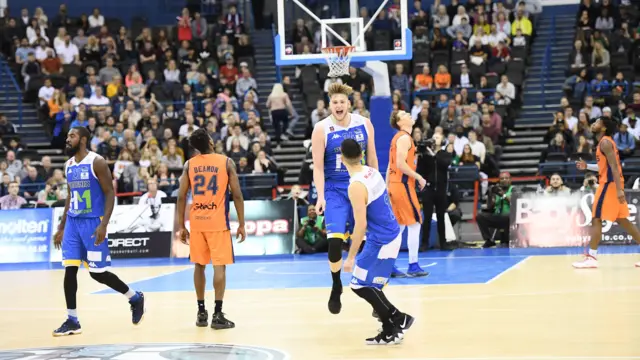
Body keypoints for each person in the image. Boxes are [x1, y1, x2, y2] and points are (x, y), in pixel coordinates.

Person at [52, 127, 145, 336]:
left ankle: (135, 298)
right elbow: (70, 196)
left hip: (93, 223)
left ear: (83, 140)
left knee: (98, 273)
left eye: (72, 136)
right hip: (73, 225)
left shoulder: (97, 162)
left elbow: (110, 193)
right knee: (70, 270)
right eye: (67, 136)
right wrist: (62, 226)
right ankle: (72, 319)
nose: (68, 139)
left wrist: (103, 224)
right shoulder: (68, 165)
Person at [311, 83, 378, 314]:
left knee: (368, 241)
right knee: (334, 242)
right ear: (330, 105)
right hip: (334, 190)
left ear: (349, 103)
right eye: (334, 102)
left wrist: (377, 188)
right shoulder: (321, 128)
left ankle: (373, 290)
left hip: (359, 185)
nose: (338, 105)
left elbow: (373, 159)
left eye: (342, 101)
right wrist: (320, 196)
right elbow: (317, 168)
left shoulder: (364, 124)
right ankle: (336, 284)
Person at [340, 139, 415, 345]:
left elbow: (361, 224)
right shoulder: (372, 171)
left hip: (382, 240)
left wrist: (351, 256)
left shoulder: (356, 185)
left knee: (358, 284)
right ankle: (390, 329)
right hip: (387, 234)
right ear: (361, 154)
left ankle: (399, 317)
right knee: (372, 286)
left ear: (341, 158)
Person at [176, 128, 247, 328]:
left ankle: (200, 312)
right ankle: (217, 314)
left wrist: (182, 226)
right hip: (217, 222)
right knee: (219, 267)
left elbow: (181, 196)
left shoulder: (189, 165)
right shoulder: (225, 162)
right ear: (210, 141)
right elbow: (238, 195)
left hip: (197, 221)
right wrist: (241, 223)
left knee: (199, 265)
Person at [573, 117, 640, 268]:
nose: (593, 124)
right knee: (624, 221)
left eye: (596, 122)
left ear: (603, 128)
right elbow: (606, 167)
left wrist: (618, 190)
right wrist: (587, 166)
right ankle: (592, 256)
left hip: (609, 185)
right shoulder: (605, 142)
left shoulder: (605, 142)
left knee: (596, 218)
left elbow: (615, 168)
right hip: (612, 184)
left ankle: (592, 257)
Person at [386, 110, 428, 277]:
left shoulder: (397, 138)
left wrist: (387, 185)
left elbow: (390, 167)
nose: (409, 114)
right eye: (404, 114)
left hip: (396, 185)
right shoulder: (404, 138)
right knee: (415, 222)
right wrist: (419, 177)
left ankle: (390, 264)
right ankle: (413, 264)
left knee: (400, 226)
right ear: (399, 122)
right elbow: (400, 164)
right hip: (403, 185)